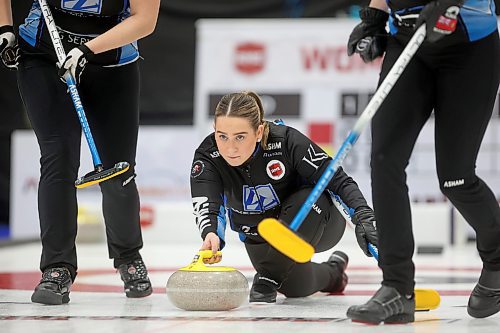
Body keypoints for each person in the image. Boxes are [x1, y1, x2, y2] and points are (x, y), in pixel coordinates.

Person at [346, 0, 500, 324]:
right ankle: (397, 288)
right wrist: (375, 16)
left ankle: (498, 261)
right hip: (409, 39)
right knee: (385, 161)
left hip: (468, 45)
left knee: (456, 177)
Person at [0, 0, 160, 305]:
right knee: (58, 157)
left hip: (111, 60)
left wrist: (87, 49)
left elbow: (145, 20)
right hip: (45, 56)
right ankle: (57, 267)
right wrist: (5, 28)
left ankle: (128, 256)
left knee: (118, 169)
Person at [189, 91, 378, 303]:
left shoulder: (286, 141)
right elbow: (207, 203)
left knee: (272, 275)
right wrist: (211, 233)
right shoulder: (208, 155)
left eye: (240, 137)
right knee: (296, 287)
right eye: (222, 136)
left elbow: (337, 180)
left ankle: (268, 277)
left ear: (259, 131)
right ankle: (334, 273)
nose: (230, 148)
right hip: (261, 235)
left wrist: (363, 215)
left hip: (315, 221)